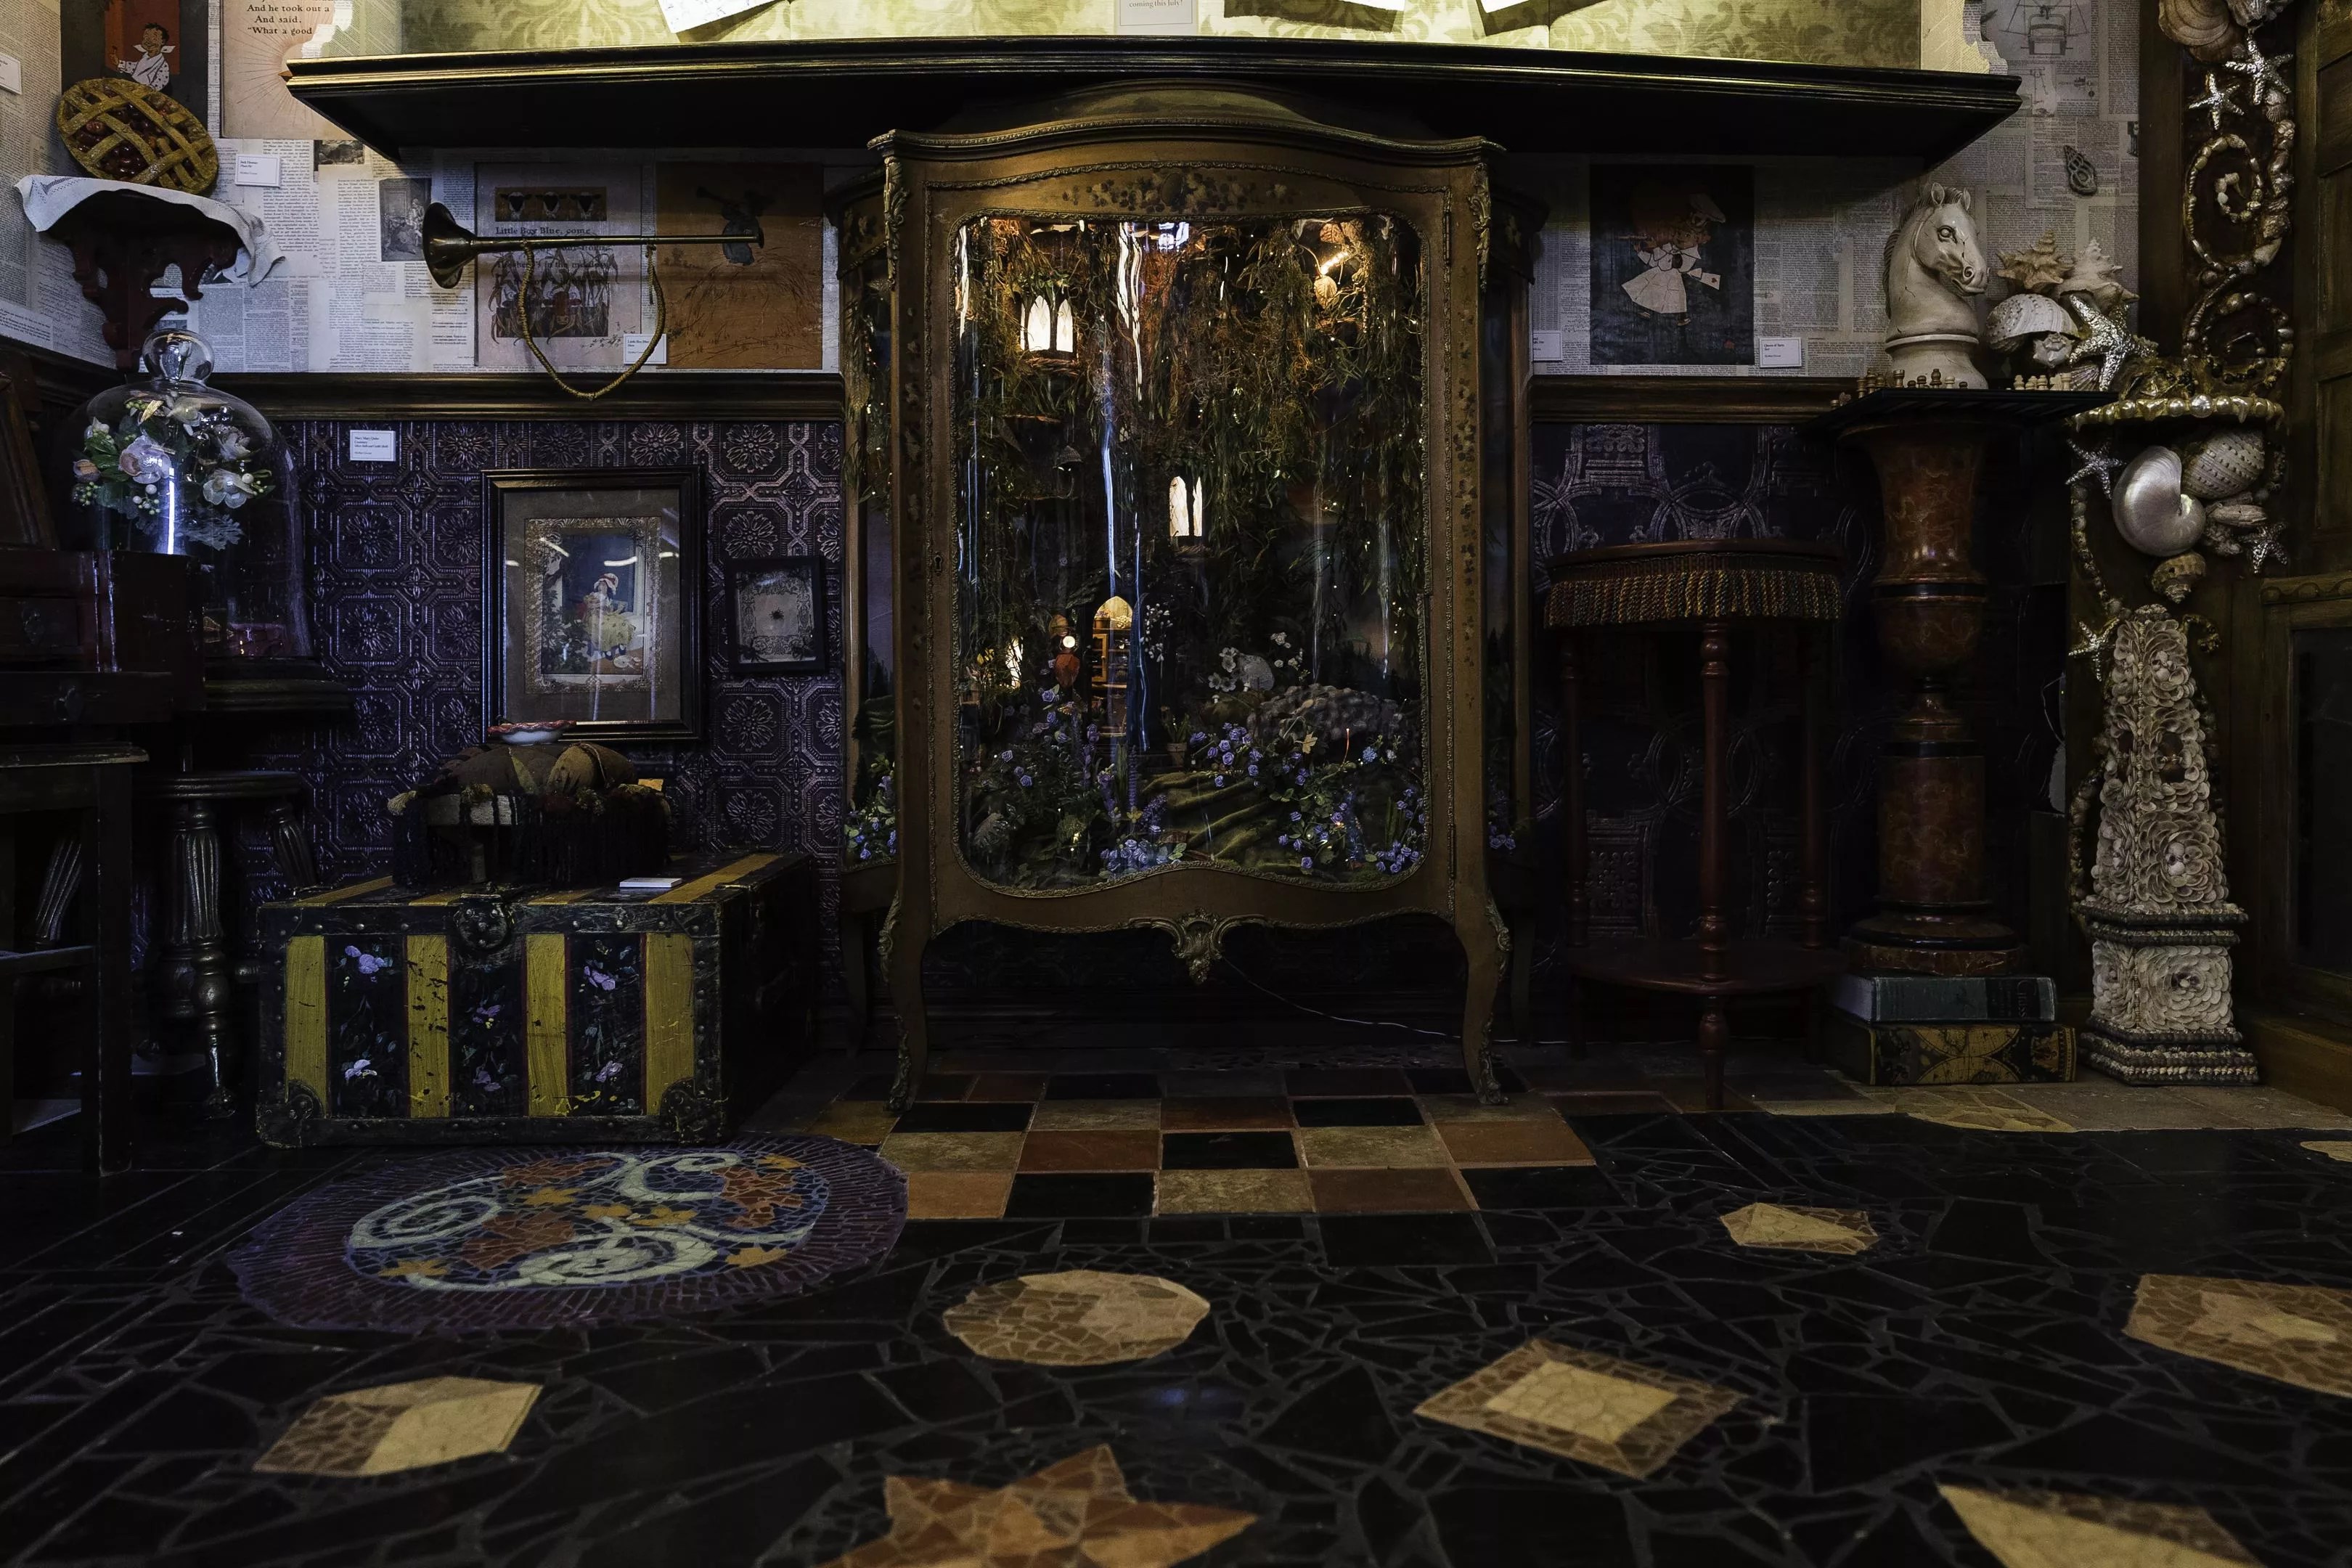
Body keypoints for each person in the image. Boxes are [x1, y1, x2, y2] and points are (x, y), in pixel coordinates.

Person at [118, 22, 173, 93]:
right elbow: (136, 67)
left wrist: (148, 90)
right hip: (133, 87)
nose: (148, 41)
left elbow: (161, 81)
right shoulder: (145, 57)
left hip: (145, 93)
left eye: (154, 37)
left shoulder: (163, 65)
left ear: (163, 42)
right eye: (146, 37)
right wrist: (120, 63)